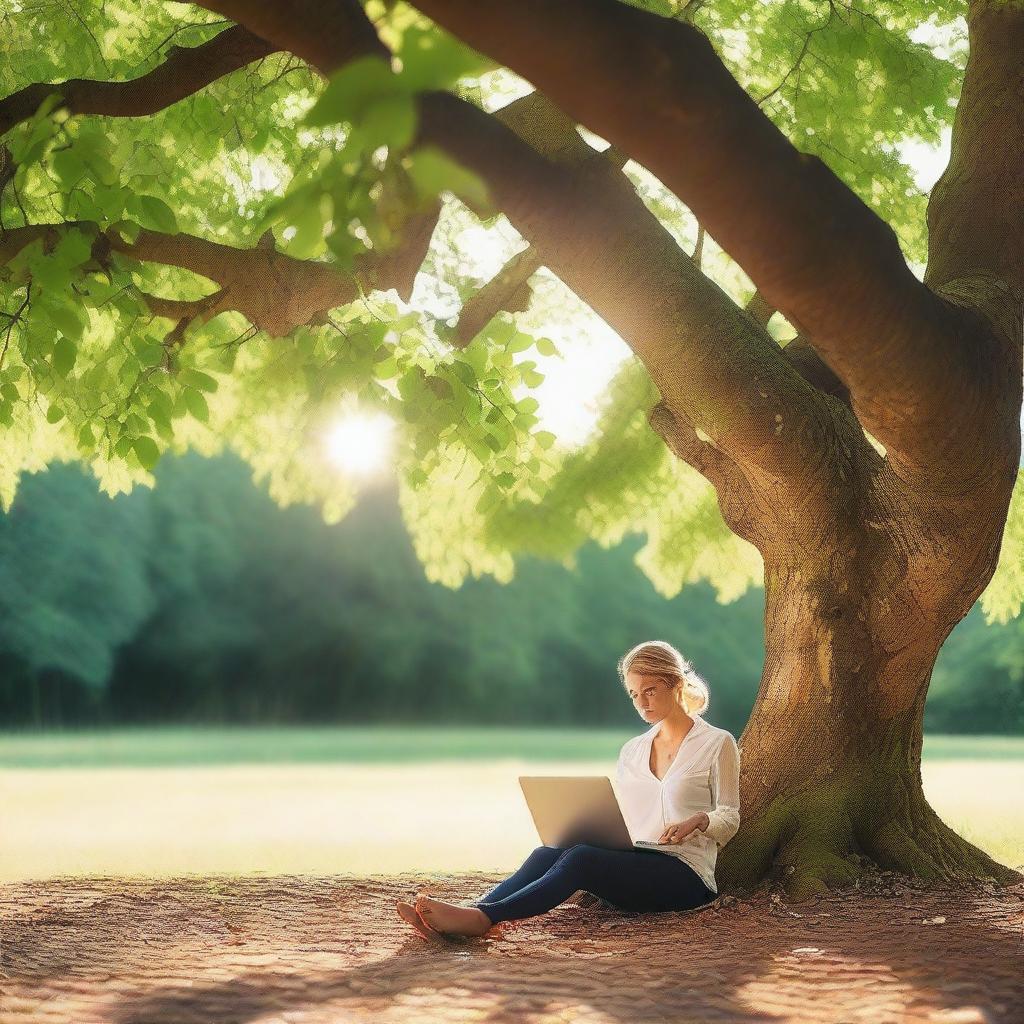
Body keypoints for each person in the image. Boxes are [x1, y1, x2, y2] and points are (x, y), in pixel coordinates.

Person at [396, 640, 742, 939]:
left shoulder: (716, 743)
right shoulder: (633, 751)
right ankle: (474, 910)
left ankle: (484, 919)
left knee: (580, 858)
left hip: (685, 876)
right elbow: (621, 814)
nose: (642, 703)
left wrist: (698, 820)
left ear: (675, 683)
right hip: (637, 861)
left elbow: (730, 816)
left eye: (650, 691)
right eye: (635, 694)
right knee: (546, 853)